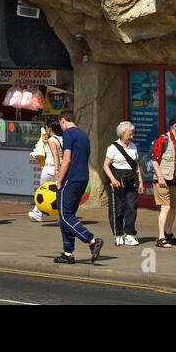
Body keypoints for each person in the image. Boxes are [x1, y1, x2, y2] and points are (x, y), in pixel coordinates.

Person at [52, 113, 103, 264]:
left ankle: (92, 240)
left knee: (65, 216)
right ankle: (68, 253)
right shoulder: (83, 135)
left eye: (60, 124)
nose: (61, 127)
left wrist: (59, 180)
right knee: (68, 217)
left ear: (63, 121)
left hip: (70, 178)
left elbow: (66, 159)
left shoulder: (68, 133)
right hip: (82, 179)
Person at [103, 121, 144, 246]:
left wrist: (141, 182)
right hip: (117, 178)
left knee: (131, 207)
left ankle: (130, 234)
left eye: (132, 134)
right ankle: (118, 234)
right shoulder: (112, 148)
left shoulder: (133, 147)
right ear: (122, 133)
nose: (131, 136)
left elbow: (136, 166)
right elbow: (105, 165)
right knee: (117, 208)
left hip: (131, 178)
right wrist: (113, 179)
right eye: (129, 134)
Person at [150, 114, 176, 247]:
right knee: (165, 207)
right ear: (175, 126)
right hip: (163, 179)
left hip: (175, 179)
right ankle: (160, 237)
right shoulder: (163, 139)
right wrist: (160, 176)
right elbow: (154, 159)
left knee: (173, 208)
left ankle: (168, 233)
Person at [29, 116, 62, 222]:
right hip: (60, 169)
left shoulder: (52, 140)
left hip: (50, 168)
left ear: (49, 128)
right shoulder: (62, 138)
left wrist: (56, 169)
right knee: (60, 193)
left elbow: (55, 155)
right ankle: (62, 217)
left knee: (42, 191)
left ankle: (37, 213)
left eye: (47, 127)